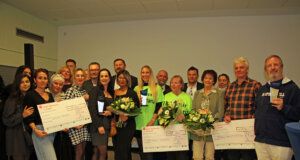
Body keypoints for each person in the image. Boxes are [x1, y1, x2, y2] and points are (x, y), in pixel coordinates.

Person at [254, 55, 300, 160]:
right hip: (261, 142)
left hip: (281, 143)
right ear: (266, 70)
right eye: (269, 65)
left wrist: (284, 107)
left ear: (282, 67)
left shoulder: (292, 88)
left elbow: (298, 112)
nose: (273, 67)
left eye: (276, 64)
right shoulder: (262, 89)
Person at [224, 57, 261, 160]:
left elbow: (260, 107)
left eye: (241, 67)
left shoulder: (255, 85)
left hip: (248, 132)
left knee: (247, 157)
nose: (238, 70)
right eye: (236, 68)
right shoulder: (230, 86)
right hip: (232, 131)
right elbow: (227, 105)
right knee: (232, 157)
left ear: (247, 69)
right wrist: (227, 115)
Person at [23, 68, 57, 160]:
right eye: (40, 78)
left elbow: (54, 113)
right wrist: (35, 130)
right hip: (39, 131)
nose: (43, 81)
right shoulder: (30, 95)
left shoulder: (49, 95)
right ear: (35, 80)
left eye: (45, 78)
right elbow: (28, 117)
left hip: (51, 130)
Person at [192, 70, 224, 160]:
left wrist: (209, 122)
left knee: (209, 156)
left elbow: (220, 112)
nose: (208, 80)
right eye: (206, 78)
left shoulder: (219, 93)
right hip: (198, 130)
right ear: (202, 79)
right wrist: (197, 121)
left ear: (214, 80)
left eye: (210, 78)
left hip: (211, 130)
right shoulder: (197, 93)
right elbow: (193, 110)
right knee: (197, 156)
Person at [134, 65, 164, 160]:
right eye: (143, 72)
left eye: (147, 72)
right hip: (139, 123)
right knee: (142, 152)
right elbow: (133, 108)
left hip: (152, 123)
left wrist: (153, 120)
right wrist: (137, 104)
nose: (145, 74)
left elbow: (160, 106)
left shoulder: (157, 88)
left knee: (150, 153)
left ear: (150, 74)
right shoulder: (136, 88)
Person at [2, 74, 34, 160]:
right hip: (16, 137)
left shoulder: (30, 97)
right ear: (17, 84)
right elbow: (6, 120)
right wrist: (22, 115)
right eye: (22, 82)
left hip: (27, 137)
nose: (25, 84)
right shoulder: (12, 99)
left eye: (27, 81)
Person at [162, 75, 192, 160]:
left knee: (182, 156)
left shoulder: (187, 97)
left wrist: (184, 117)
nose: (173, 84)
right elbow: (163, 112)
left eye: (176, 82)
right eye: (171, 82)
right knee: (170, 156)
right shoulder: (166, 96)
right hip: (170, 131)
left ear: (181, 85)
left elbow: (191, 113)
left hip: (183, 132)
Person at [113, 70, 140, 160]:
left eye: (124, 78)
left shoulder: (131, 93)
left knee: (124, 149)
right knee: (117, 149)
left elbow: (137, 110)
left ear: (128, 79)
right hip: (117, 125)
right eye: (120, 78)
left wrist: (127, 116)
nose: (122, 80)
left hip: (128, 126)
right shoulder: (115, 92)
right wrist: (113, 120)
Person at [88, 68, 114, 160]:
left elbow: (112, 109)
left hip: (106, 125)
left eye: (106, 76)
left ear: (110, 78)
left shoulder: (111, 92)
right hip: (98, 126)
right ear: (99, 78)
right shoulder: (95, 90)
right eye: (102, 76)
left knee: (97, 151)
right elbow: (92, 109)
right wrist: (99, 126)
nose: (104, 78)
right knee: (102, 153)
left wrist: (110, 113)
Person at [65, 68, 90, 160]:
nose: (80, 77)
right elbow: (66, 107)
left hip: (84, 125)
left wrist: (84, 123)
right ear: (74, 77)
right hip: (75, 126)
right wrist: (74, 124)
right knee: (78, 152)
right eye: (78, 75)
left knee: (82, 152)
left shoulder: (84, 91)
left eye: (82, 75)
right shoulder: (71, 90)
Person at [49, 74, 73, 160]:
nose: (58, 86)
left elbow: (67, 114)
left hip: (61, 133)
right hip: (48, 131)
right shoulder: (45, 94)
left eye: (60, 84)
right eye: (56, 83)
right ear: (51, 83)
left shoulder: (65, 96)